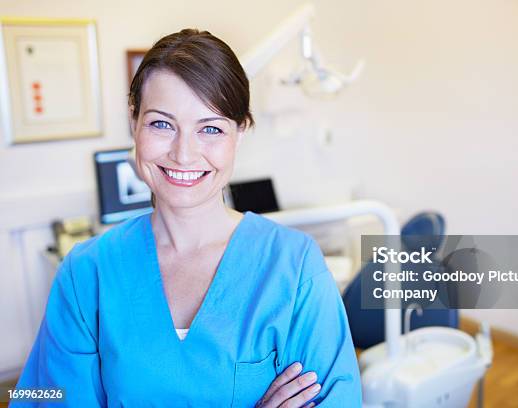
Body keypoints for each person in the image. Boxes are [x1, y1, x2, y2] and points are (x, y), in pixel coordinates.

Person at [11, 29, 362, 407]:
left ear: (240, 132)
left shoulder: (294, 267)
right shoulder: (87, 273)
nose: (184, 153)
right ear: (134, 121)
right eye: (162, 124)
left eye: (210, 128)